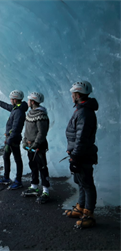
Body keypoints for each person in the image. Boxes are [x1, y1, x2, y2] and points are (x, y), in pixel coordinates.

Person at [63, 81, 98, 229]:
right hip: (78, 153)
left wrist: (76, 156)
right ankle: (80, 208)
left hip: (82, 155)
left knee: (87, 184)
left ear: (77, 95)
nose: (71, 96)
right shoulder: (81, 109)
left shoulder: (83, 112)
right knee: (81, 182)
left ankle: (88, 215)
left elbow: (82, 137)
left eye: (73, 94)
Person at [0, 90, 28, 189]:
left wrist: (9, 140)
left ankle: (18, 181)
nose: (10, 100)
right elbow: (7, 106)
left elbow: (16, 129)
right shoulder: (17, 108)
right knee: (6, 157)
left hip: (13, 139)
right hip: (11, 139)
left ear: (15, 99)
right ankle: (6, 177)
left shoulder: (19, 112)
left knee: (17, 159)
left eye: (12, 99)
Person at [21, 92, 50, 203]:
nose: (28, 102)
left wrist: (36, 144)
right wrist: (25, 141)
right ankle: (34, 186)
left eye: (29, 100)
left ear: (32, 102)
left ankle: (46, 190)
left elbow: (42, 133)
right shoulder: (30, 114)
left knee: (42, 167)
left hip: (38, 147)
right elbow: (27, 130)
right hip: (30, 146)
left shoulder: (41, 115)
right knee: (33, 165)